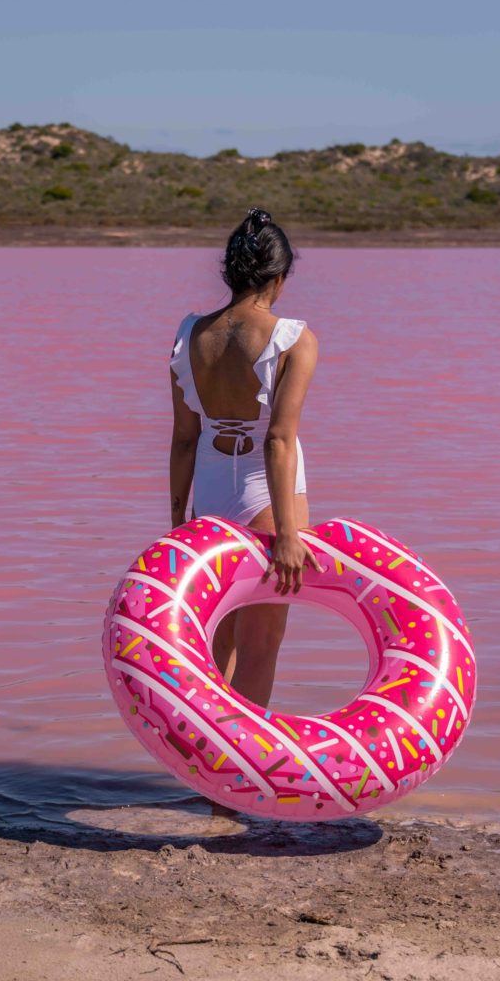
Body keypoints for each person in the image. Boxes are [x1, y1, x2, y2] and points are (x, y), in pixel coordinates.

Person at [169, 207, 321, 711]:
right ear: (279, 277)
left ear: (230, 273)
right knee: (261, 648)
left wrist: (176, 521)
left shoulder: (189, 334)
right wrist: (289, 535)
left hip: (208, 500)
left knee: (221, 642)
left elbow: (185, 438)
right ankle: (235, 781)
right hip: (266, 500)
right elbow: (278, 439)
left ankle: (205, 766)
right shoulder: (292, 338)